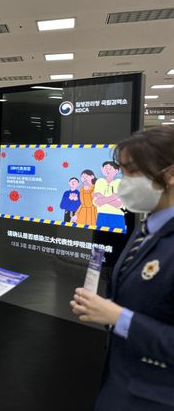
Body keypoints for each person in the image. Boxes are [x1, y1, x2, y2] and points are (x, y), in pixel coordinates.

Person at [70, 126, 174, 411]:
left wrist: (118, 317)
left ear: (170, 174)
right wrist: (103, 308)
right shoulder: (145, 229)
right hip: (119, 383)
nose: (123, 183)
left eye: (133, 172)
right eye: (122, 172)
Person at [94, 161, 125, 230]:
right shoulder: (100, 182)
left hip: (117, 215)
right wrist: (113, 197)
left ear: (116, 171)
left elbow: (119, 204)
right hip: (101, 215)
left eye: (109, 168)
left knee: (118, 235)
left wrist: (102, 199)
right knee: (100, 235)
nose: (107, 170)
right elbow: (96, 202)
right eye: (105, 168)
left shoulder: (119, 182)